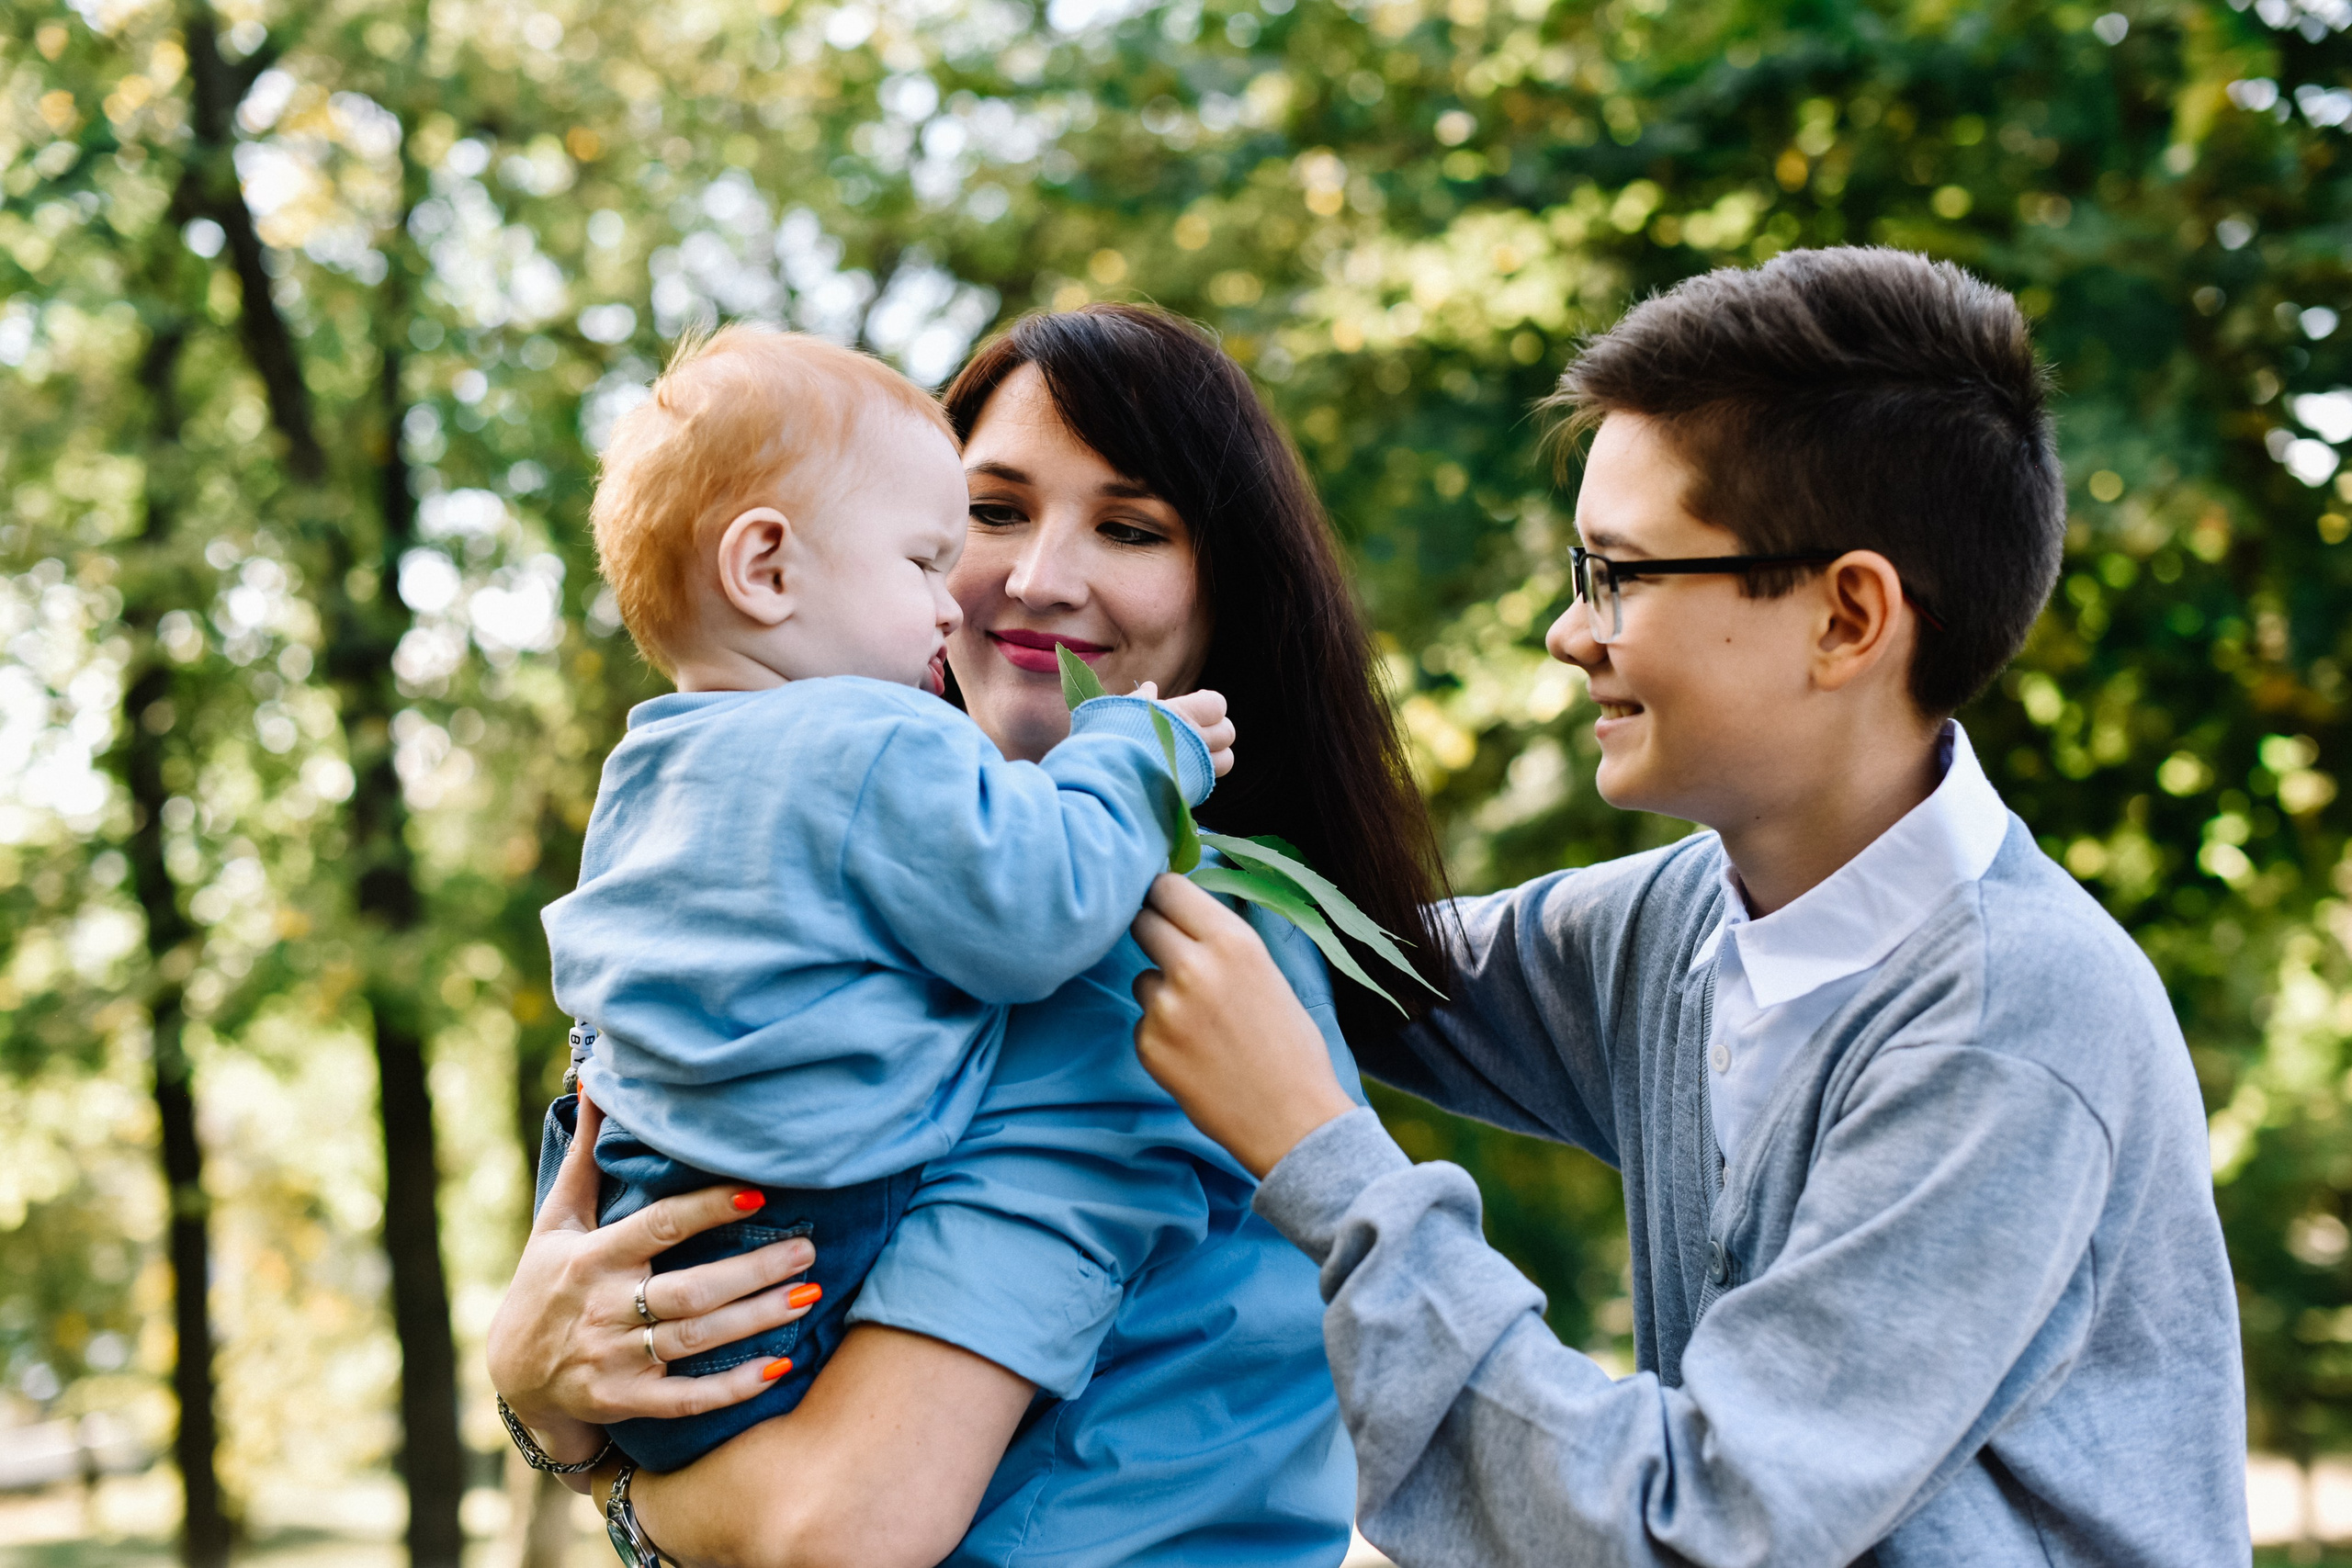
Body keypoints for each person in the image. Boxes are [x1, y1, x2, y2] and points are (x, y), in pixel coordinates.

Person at [1129, 248, 2252, 1565]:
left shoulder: (2009, 1024)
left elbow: (1700, 1530)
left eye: (1620, 573)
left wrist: (1318, 1147)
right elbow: (1365, 960)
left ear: (1847, 617)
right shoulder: (1684, 923)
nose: (1568, 630)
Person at [487, 304, 1453, 1564]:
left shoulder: (1144, 967)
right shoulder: (798, 892)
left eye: (1129, 526)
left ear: (1230, 589)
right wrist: (556, 1393)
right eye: (987, 514)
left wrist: (577, 1443)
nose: (1034, 577)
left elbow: (840, 1525)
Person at [528, 322, 1230, 1480]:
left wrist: (557, 1427)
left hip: (644, 1208)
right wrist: (1136, 755)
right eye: (932, 554)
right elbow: (1041, 905)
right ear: (764, 568)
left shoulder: (652, 764)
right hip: (791, 1229)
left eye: (1128, 526)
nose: (962, 600)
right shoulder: (872, 738)